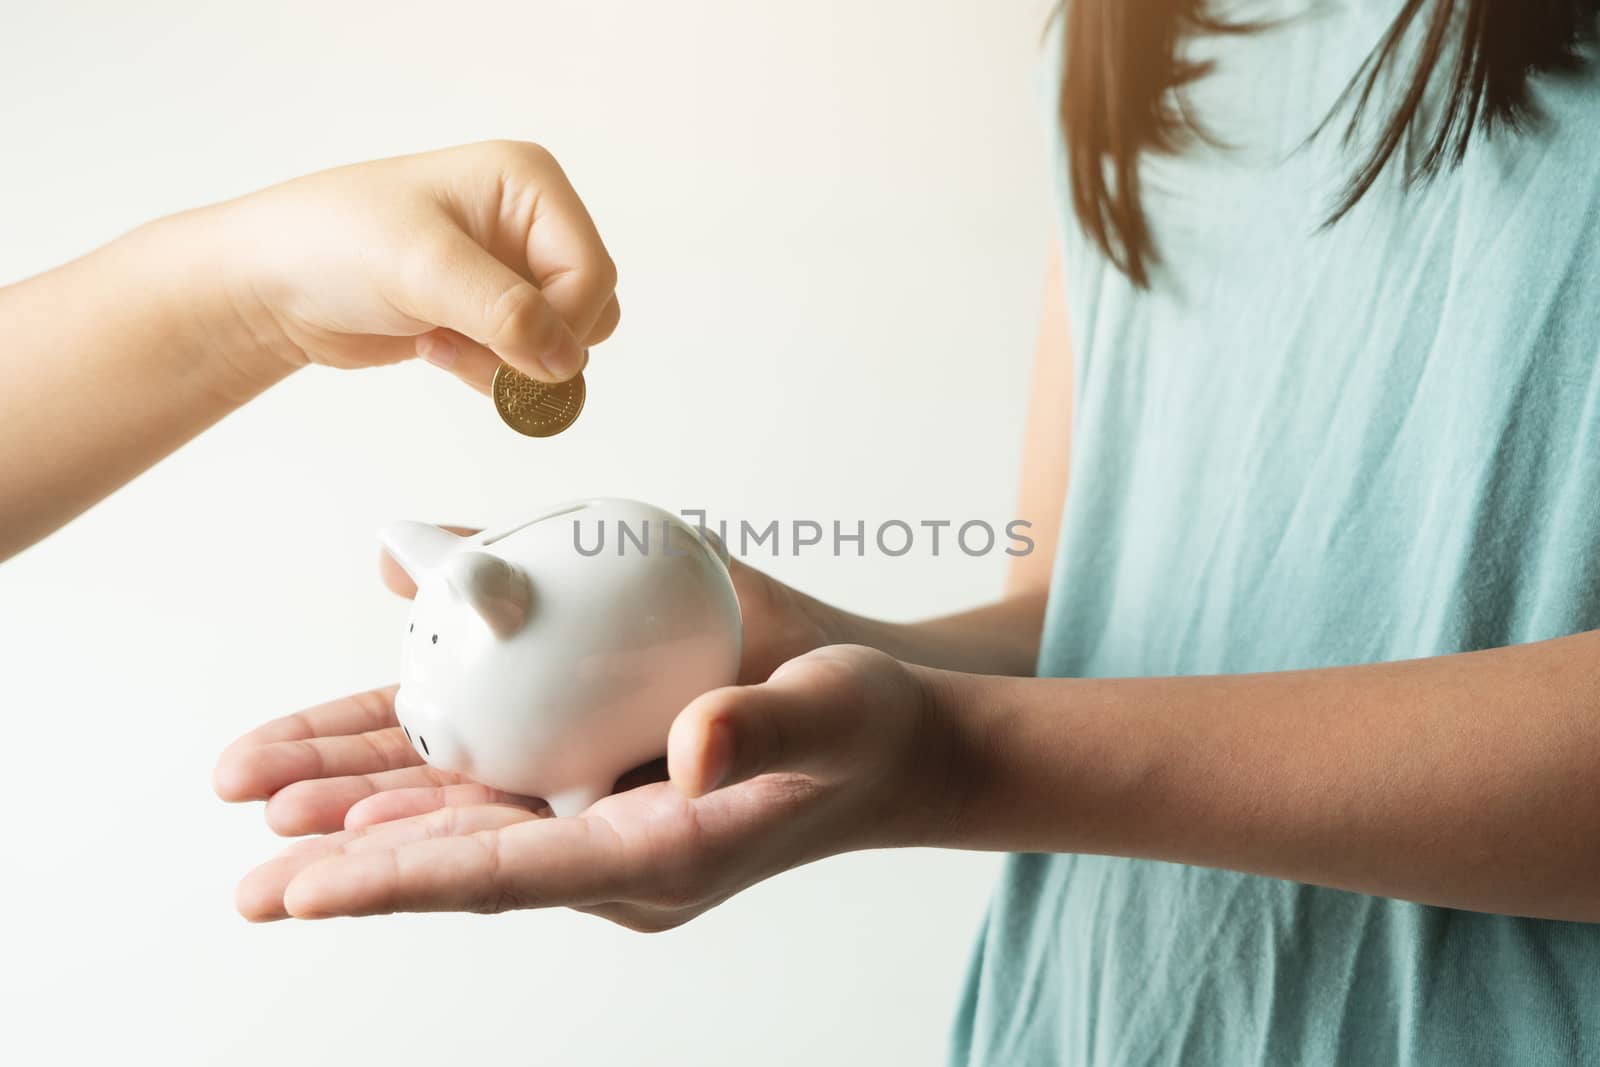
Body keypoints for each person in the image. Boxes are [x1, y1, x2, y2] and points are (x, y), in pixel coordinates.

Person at [8, 1, 1600, 1062]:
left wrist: (966, 761)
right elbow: (1091, 608)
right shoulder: (1139, 28)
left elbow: (1017, 727)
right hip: (1105, 1014)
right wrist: (833, 659)